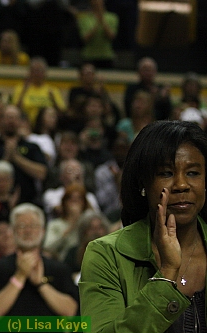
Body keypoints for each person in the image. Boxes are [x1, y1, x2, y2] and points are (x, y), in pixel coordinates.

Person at [79, 120, 207, 332]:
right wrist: (166, 275)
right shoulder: (106, 254)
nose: (182, 185)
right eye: (166, 173)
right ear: (142, 183)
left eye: (193, 173)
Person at [0, 203, 78, 316]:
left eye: (34, 226)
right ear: (12, 231)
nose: (28, 231)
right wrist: (20, 276)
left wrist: (41, 284)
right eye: (22, 226)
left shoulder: (59, 268)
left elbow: (71, 311)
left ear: (43, 231)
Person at [0, 104, 48, 205]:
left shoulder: (32, 147)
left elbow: (42, 173)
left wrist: (16, 158)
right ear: (0, 121)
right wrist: (5, 160)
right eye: (8, 117)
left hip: (27, 202)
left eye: (15, 117)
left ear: (21, 121)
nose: (11, 121)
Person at [12, 57, 66, 128]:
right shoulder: (21, 88)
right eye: (34, 71)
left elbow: (61, 113)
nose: (37, 74)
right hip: (25, 125)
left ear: (45, 73)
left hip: (46, 126)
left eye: (40, 71)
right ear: (30, 72)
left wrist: (53, 100)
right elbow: (14, 110)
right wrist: (23, 93)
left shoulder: (52, 90)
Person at [77, 0, 119, 68]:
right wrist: (97, 25)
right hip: (89, 56)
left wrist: (101, 20)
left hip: (106, 56)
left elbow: (111, 36)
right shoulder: (83, 18)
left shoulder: (113, 17)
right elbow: (85, 39)